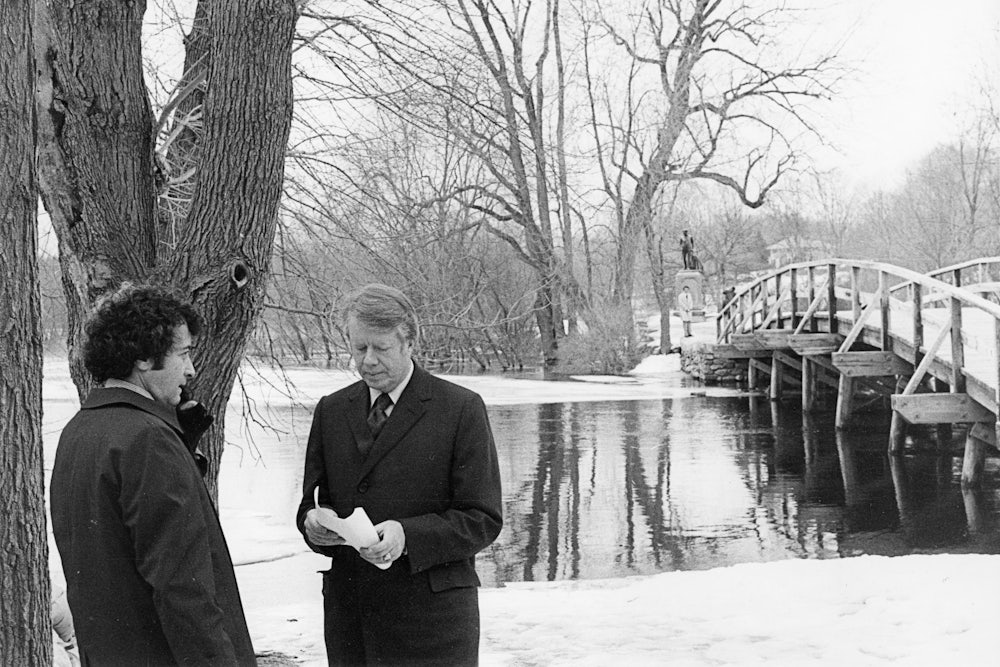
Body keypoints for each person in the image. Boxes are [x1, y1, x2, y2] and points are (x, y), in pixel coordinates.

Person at [50, 284, 257, 666]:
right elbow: (183, 590)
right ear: (144, 357)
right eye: (183, 354)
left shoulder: (80, 431)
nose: (191, 369)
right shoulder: (148, 440)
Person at [297, 283, 503, 666]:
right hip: (351, 619)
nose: (368, 360)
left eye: (381, 348)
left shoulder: (461, 409)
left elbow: (483, 519)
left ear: (410, 343)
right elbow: (312, 500)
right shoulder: (332, 410)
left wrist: (406, 535)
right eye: (359, 348)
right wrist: (313, 523)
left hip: (433, 625)